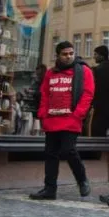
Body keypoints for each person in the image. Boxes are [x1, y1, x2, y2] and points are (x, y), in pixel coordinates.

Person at [29, 41, 94, 200]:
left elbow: (88, 94)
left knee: (67, 150)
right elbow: (44, 94)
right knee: (51, 154)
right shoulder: (51, 73)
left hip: (71, 119)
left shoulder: (83, 71)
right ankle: (49, 189)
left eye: (71, 53)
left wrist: (78, 114)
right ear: (57, 55)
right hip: (52, 120)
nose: (69, 56)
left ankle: (82, 179)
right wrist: (43, 114)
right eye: (65, 54)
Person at [90, 45, 109, 138]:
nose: (94, 57)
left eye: (95, 54)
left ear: (102, 56)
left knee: (96, 133)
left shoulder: (97, 70)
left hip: (99, 107)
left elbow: (95, 89)